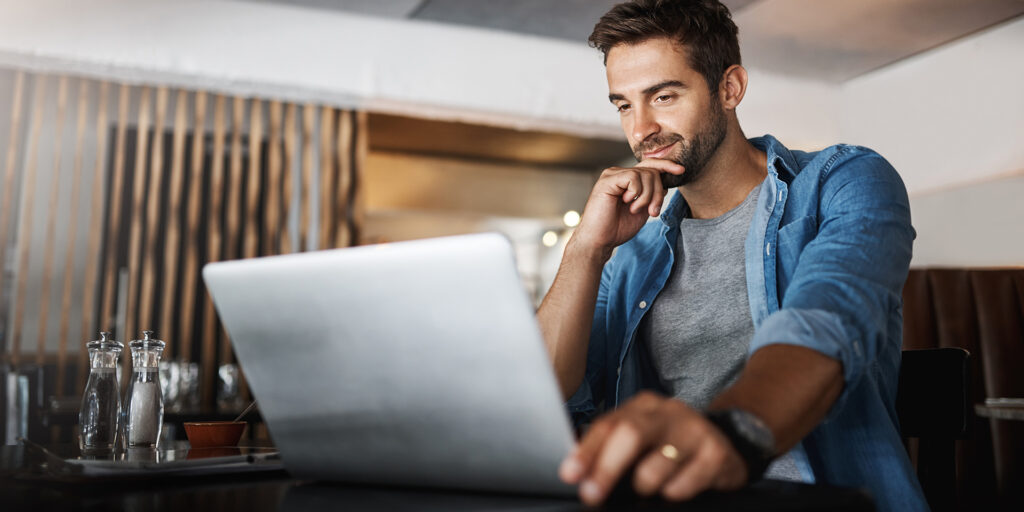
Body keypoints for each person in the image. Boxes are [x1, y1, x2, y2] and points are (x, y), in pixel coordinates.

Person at [535, 1, 928, 511]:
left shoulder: (842, 182)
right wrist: (586, 249)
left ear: (730, 88)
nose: (641, 129)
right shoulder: (631, 251)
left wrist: (729, 436)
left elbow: (826, 323)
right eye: (624, 105)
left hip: (821, 498)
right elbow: (546, 395)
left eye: (664, 96)